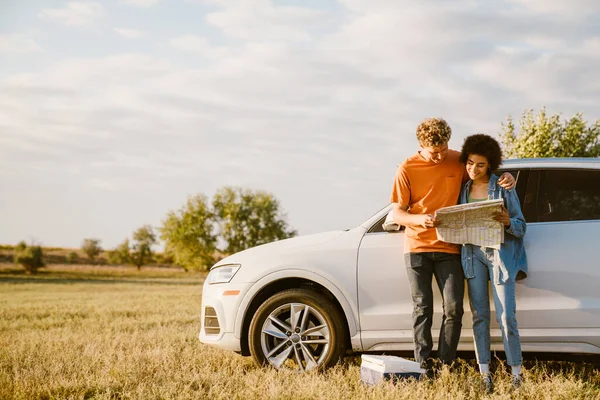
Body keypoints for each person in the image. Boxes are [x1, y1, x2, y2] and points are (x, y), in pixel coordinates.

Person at [390, 118, 515, 378]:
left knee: (454, 308)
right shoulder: (406, 168)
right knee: (422, 307)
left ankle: (445, 364)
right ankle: (423, 366)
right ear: (421, 145)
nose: (440, 156)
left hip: (450, 247)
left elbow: (485, 174)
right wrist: (418, 219)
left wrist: (507, 177)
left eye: (444, 149)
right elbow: (397, 213)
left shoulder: (459, 160)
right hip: (417, 246)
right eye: (434, 151)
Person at [458, 133, 527, 392]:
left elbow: (521, 227)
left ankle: (517, 374)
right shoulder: (463, 189)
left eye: (480, 164)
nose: (473, 169)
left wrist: (508, 221)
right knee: (480, 317)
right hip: (471, 255)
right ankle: (484, 374)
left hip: (499, 256)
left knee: (506, 316)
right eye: (470, 163)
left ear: (491, 165)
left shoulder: (503, 186)